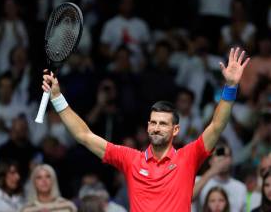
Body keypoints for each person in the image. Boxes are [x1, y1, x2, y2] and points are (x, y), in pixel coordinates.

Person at [41, 47, 250, 211]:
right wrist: (58, 98)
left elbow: (217, 125)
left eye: (163, 123)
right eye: (153, 122)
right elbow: (84, 135)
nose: (157, 128)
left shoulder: (189, 157)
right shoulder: (131, 159)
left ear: (176, 130)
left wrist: (230, 87)